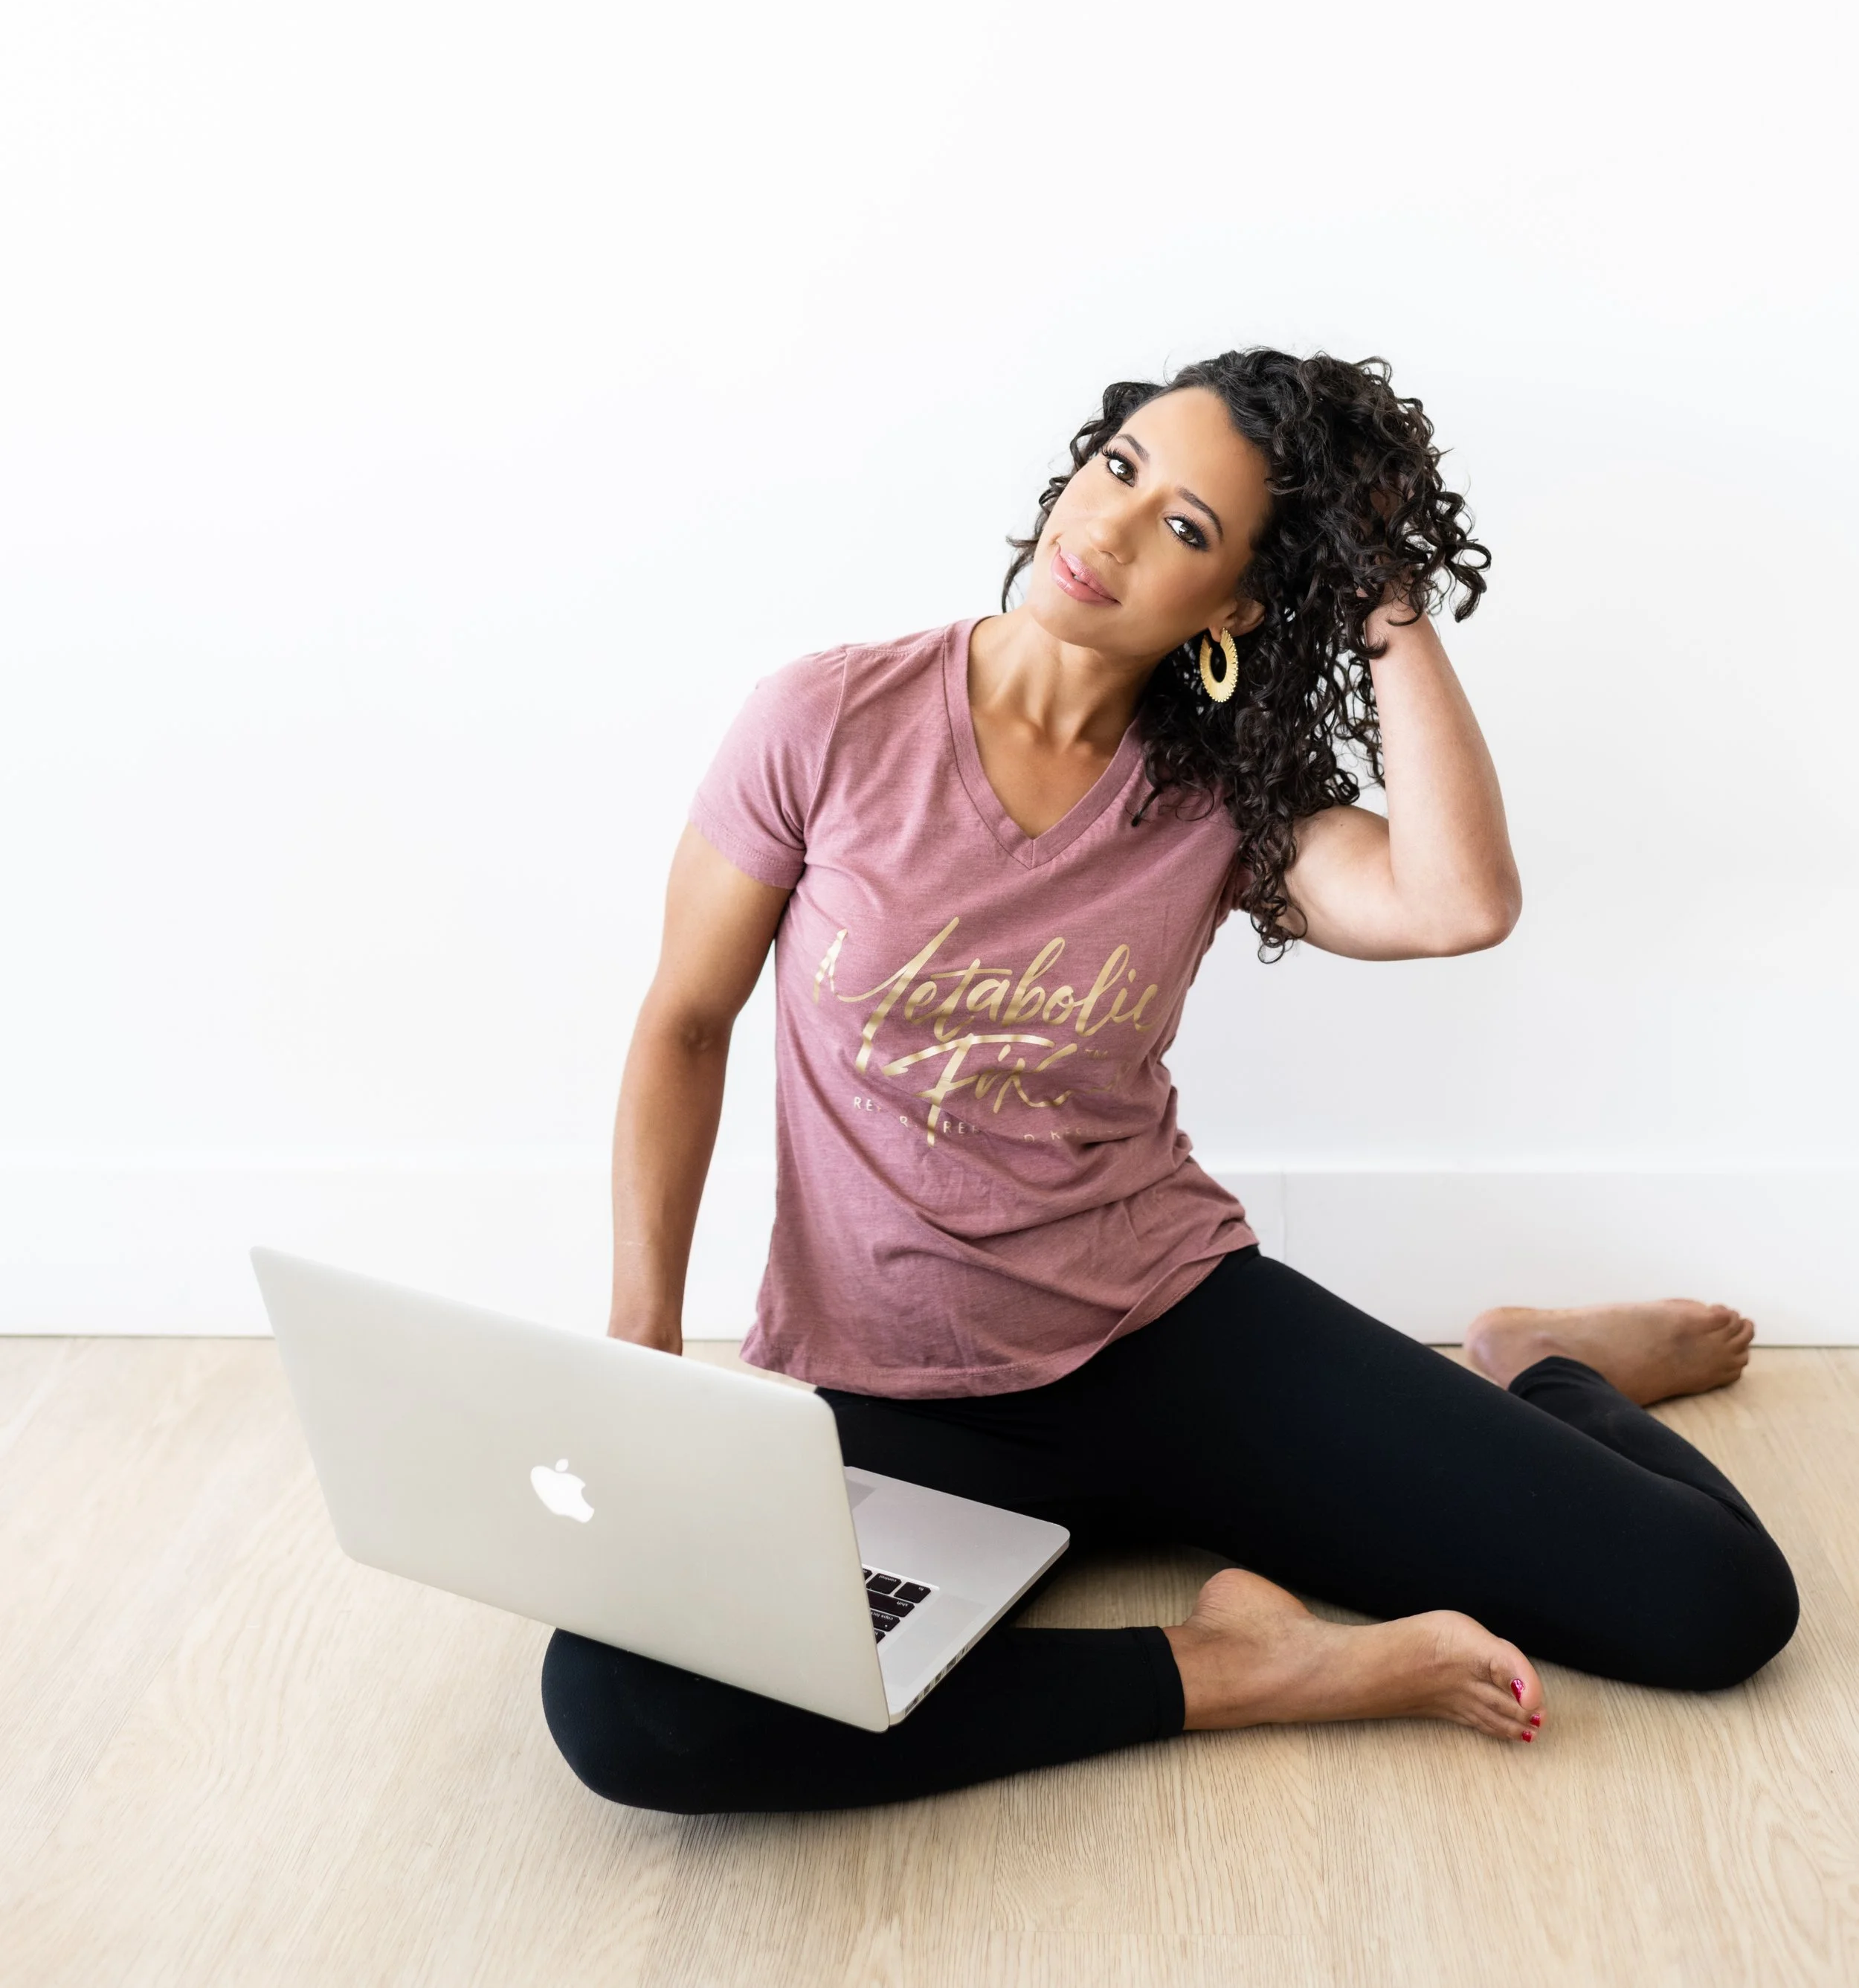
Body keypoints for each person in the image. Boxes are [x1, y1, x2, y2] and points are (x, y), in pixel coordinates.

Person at [541, 348, 1797, 1812]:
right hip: (893, 1396)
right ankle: (1244, 1669)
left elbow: (1454, 901)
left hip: (1176, 1343)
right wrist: (639, 1345)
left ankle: (1536, 1367)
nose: (1108, 529)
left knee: (1715, 1606)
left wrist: (1378, 577)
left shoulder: (1213, 798)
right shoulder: (825, 722)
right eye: (1121, 466)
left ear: (1238, 607)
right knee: (630, 1707)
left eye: (1187, 532)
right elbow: (684, 1022)